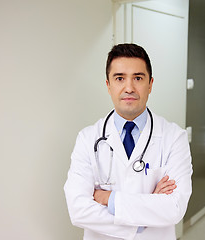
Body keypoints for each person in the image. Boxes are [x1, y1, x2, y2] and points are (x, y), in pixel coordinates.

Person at [64, 43, 193, 240]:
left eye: (138, 78)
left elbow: (174, 208)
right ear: (108, 85)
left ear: (150, 84)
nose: (129, 88)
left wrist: (107, 198)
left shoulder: (175, 137)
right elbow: (78, 210)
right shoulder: (87, 139)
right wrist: (141, 219)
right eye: (119, 78)